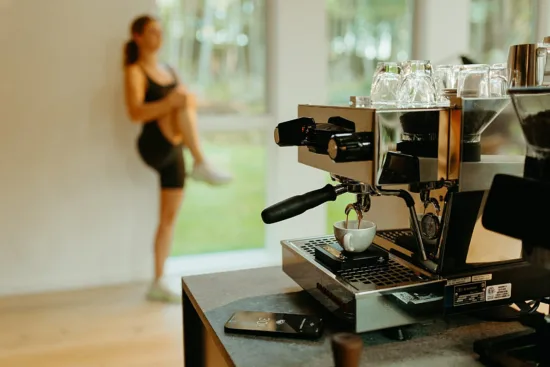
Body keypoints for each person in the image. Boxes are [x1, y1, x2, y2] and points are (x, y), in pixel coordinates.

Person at [123, 14, 232, 303]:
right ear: (138, 37)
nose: (158, 36)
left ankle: (157, 281)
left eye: (160, 31)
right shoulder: (135, 70)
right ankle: (201, 161)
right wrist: (169, 102)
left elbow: (186, 103)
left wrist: (182, 101)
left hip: (174, 150)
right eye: (152, 32)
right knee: (179, 99)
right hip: (153, 144)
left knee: (168, 219)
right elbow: (135, 112)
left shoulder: (169, 69)